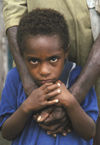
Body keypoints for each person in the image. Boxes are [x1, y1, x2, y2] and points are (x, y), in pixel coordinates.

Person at [2, 0, 100, 143]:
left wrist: (71, 103)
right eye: (34, 60)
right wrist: (27, 107)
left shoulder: (78, 76)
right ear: (22, 55)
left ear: (66, 52)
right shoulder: (15, 78)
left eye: (53, 59)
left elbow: (90, 132)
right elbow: (6, 133)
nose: (44, 71)